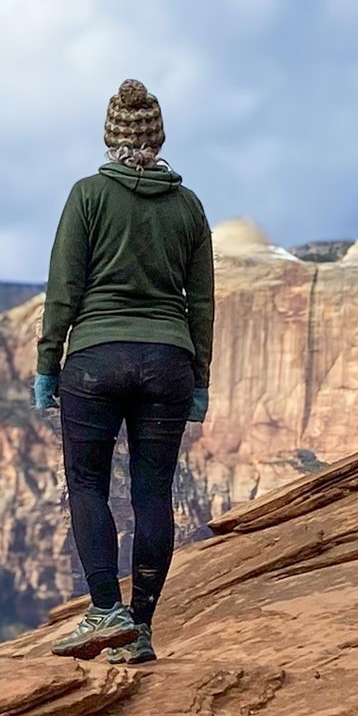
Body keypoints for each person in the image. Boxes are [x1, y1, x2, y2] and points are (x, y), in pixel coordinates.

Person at [32, 78, 214, 666]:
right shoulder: (188, 206)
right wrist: (201, 379)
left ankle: (105, 608)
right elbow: (202, 302)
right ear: (157, 139)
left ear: (111, 139)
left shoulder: (87, 196)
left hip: (95, 362)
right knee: (152, 491)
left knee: (87, 483)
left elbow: (64, 287)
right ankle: (140, 630)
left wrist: (46, 363)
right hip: (168, 364)